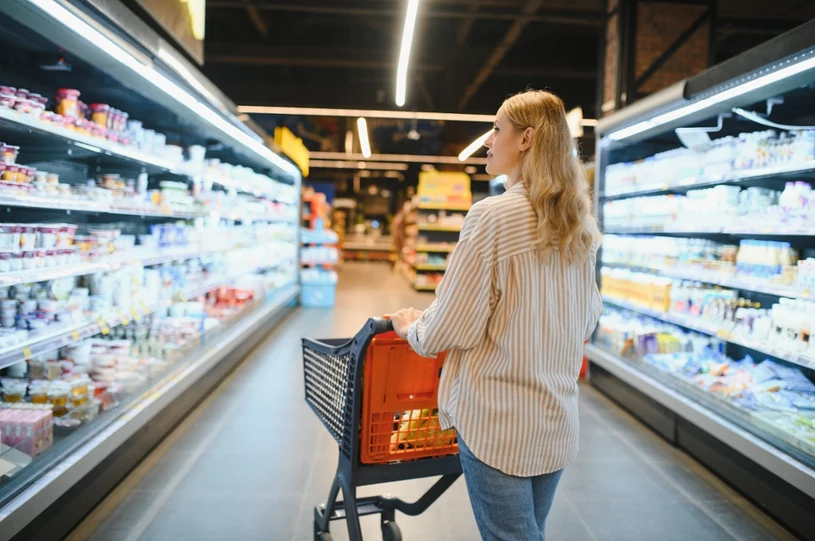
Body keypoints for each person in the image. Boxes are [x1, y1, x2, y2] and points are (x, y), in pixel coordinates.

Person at [389, 89, 603, 541]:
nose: (489, 140)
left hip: (498, 421)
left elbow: (451, 327)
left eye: (496, 129)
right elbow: (587, 323)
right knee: (528, 531)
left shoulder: (492, 216)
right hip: (555, 417)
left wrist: (413, 328)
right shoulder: (575, 221)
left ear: (525, 139)